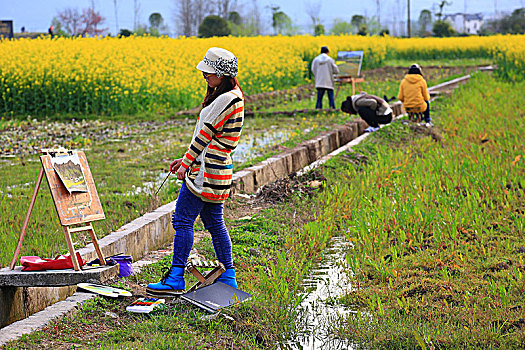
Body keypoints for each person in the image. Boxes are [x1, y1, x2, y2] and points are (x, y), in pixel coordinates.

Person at [146, 47, 244, 297]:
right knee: (214, 222)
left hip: (204, 172)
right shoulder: (235, 95)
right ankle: (229, 278)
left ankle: (176, 276)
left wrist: (186, 163)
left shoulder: (224, 99)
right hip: (218, 169)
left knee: (182, 220)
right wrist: (186, 158)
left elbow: (204, 136)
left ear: (221, 75)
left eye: (209, 73)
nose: (205, 77)